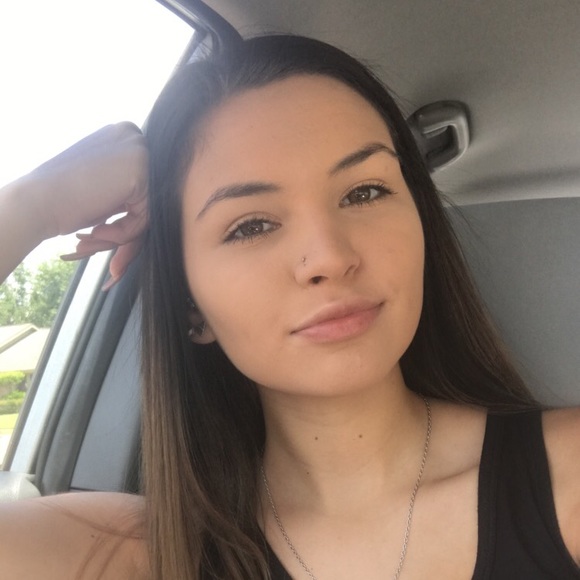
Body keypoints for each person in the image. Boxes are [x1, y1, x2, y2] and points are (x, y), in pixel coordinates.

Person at [0, 35, 579, 580]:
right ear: (189, 306)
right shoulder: (141, 553)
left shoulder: (569, 475)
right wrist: (36, 202)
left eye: (364, 192)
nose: (329, 257)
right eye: (251, 226)